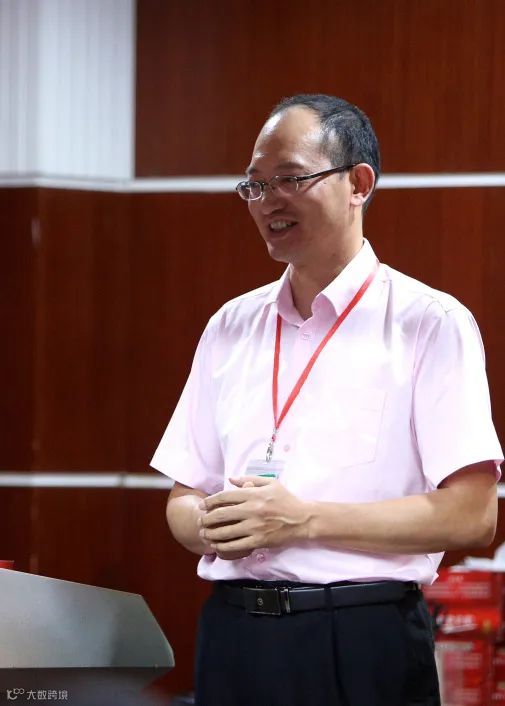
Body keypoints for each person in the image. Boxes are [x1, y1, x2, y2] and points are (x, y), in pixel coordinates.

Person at [151, 94, 503, 706]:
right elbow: (184, 495)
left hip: (361, 634)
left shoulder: (429, 322)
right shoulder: (230, 325)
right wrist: (214, 523)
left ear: (358, 184)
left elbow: (472, 516)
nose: (268, 202)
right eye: (255, 186)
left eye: (290, 179)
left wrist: (304, 520)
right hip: (232, 632)